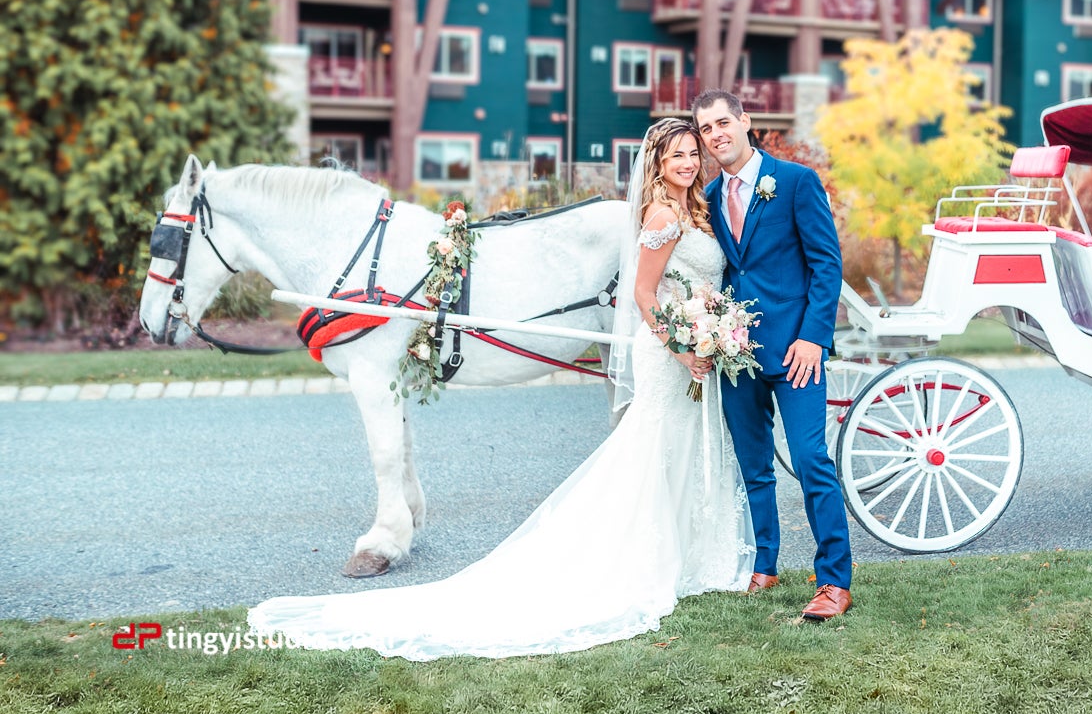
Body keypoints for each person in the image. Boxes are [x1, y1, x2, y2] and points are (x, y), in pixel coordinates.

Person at [246, 119, 754, 660]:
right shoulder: (660, 215)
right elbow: (644, 292)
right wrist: (686, 340)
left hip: (691, 344)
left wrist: (713, 324)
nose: (688, 162)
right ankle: (646, 558)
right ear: (657, 163)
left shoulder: (696, 209)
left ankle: (691, 556)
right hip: (672, 349)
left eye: (691, 154)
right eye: (676, 155)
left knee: (672, 451)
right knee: (652, 453)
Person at [693, 89, 853, 621]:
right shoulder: (711, 197)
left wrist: (813, 336)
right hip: (737, 353)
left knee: (811, 461)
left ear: (745, 121)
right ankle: (765, 564)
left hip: (797, 350)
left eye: (723, 123)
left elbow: (826, 265)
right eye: (706, 129)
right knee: (754, 465)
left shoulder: (795, 182)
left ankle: (834, 580)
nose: (716, 135)